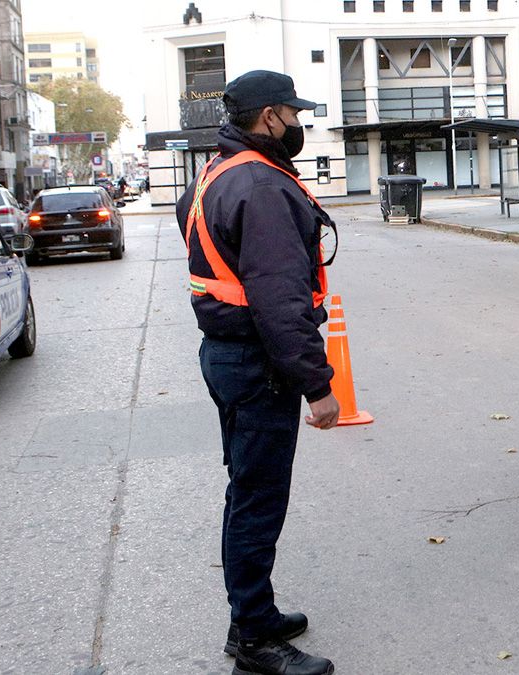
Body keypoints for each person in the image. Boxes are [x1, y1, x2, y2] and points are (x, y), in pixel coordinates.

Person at [176, 69, 340, 675]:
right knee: (257, 498)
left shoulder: (218, 171)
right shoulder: (260, 185)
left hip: (227, 354)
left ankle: (256, 614)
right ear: (270, 117)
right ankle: (252, 639)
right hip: (257, 362)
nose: (299, 124)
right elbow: (279, 301)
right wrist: (317, 386)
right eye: (294, 114)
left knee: (248, 488)